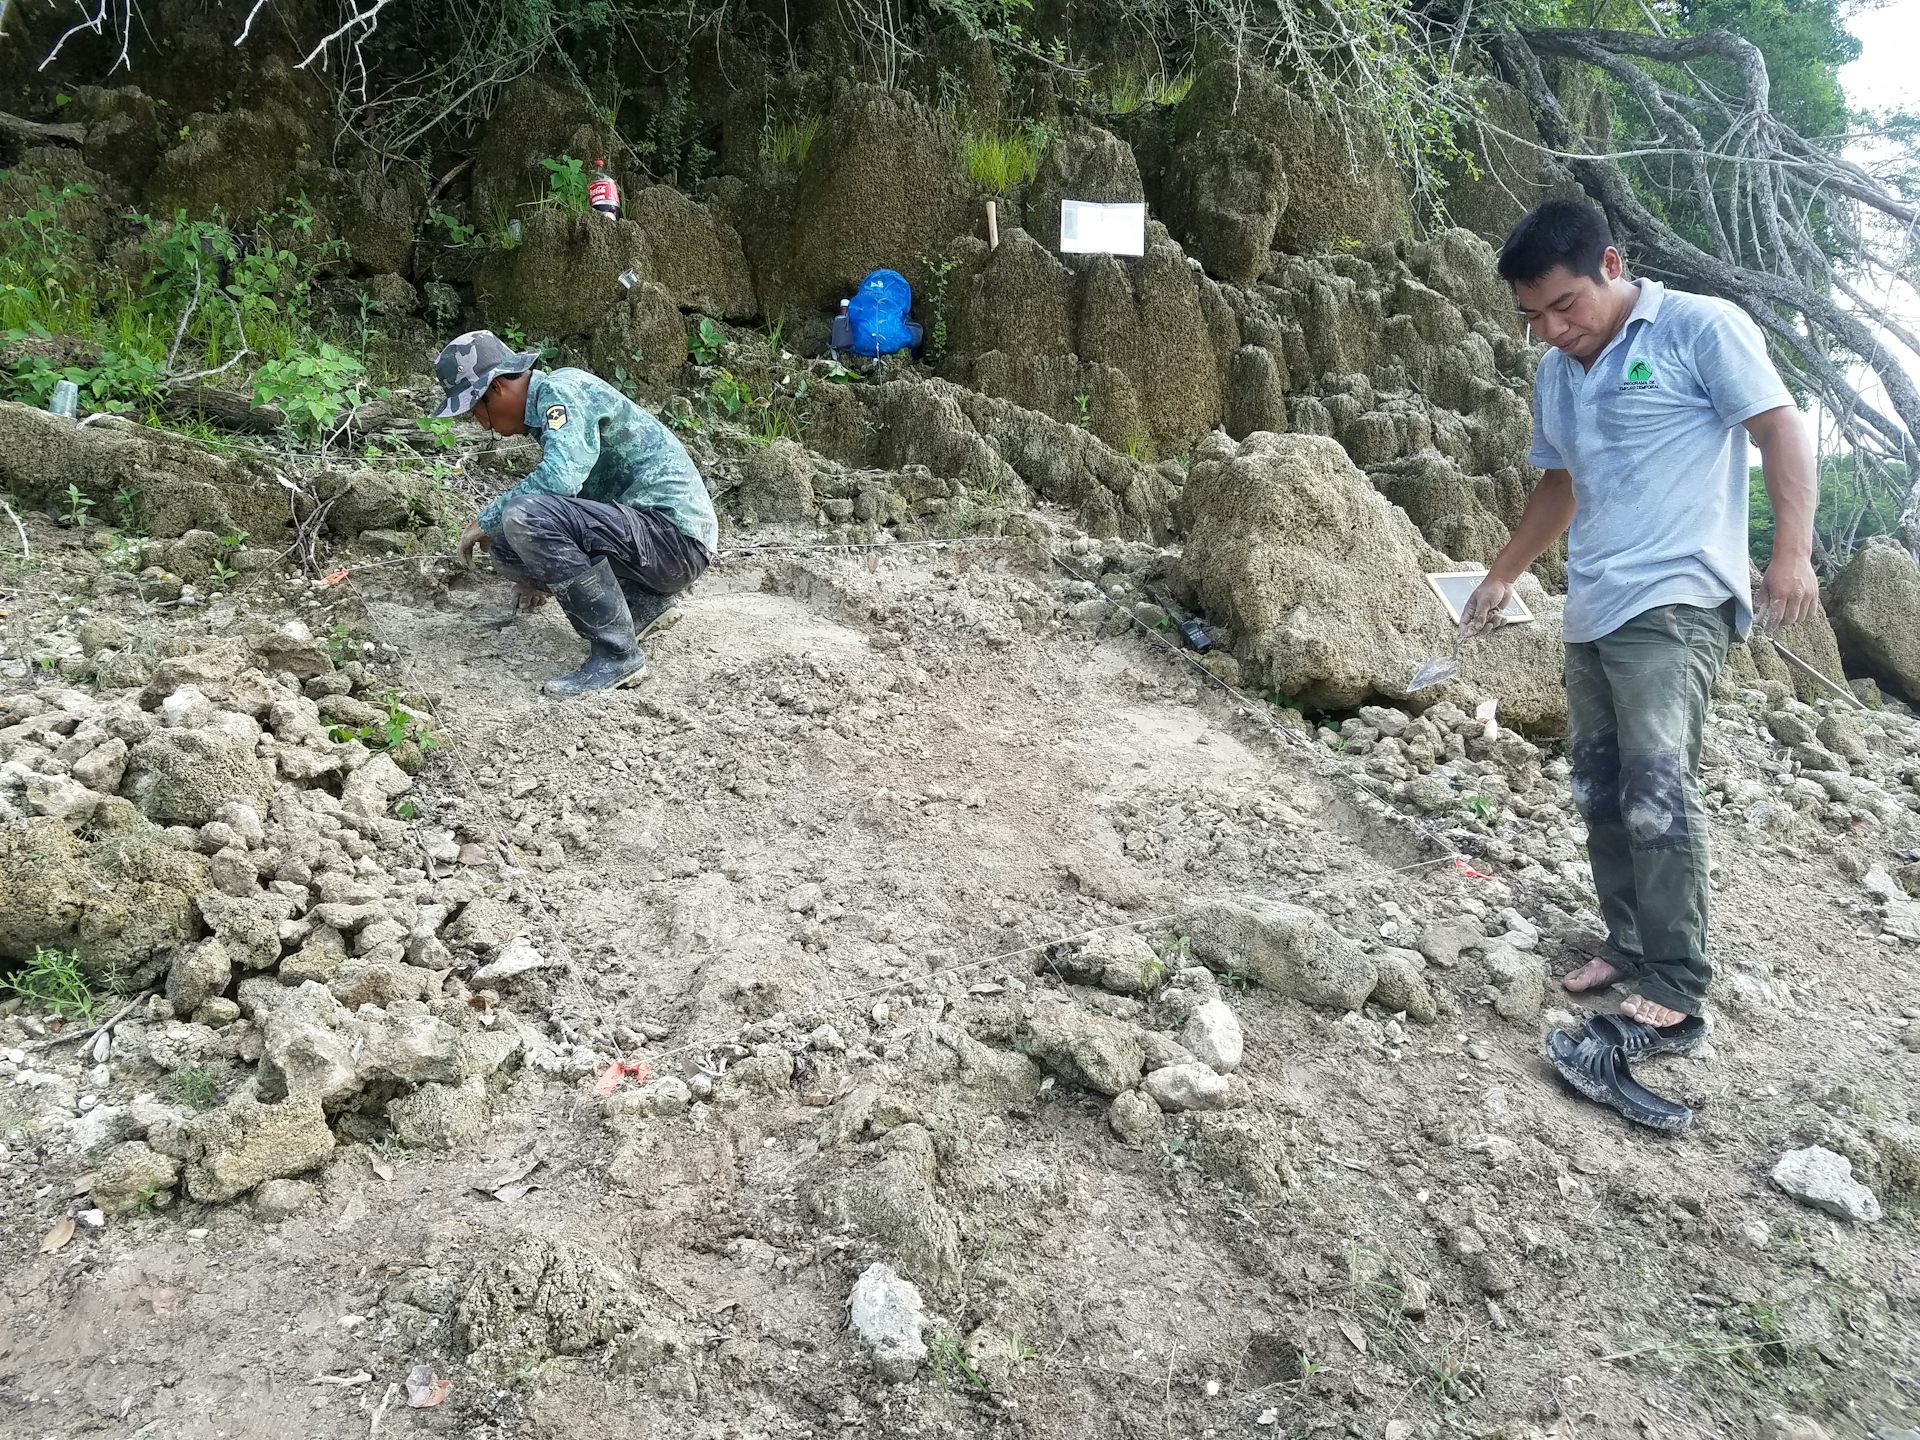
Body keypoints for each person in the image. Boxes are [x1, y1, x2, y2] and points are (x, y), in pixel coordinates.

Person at [1460, 200, 1817, 1042]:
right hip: (1593, 605)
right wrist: (1503, 574)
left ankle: (1679, 976)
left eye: (1564, 306)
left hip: (1678, 600)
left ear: (1611, 268)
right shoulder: (1558, 371)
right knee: (1601, 787)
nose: (1550, 329)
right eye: (1533, 316)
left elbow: (1780, 428)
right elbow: (1560, 483)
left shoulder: (1698, 329)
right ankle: (1627, 943)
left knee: (1658, 787)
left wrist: (1791, 554)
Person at [429, 330, 719, 697]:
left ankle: (617, 655)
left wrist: (486, 519)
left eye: (476, 411)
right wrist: (535, 566)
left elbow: (561, 480)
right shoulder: (551, 407)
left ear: (497, 389)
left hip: (673, 538)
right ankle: (641, 606)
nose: (482, 425)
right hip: (652, 542)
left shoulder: (562, 392)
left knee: (520, 516)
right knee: (504, 546)